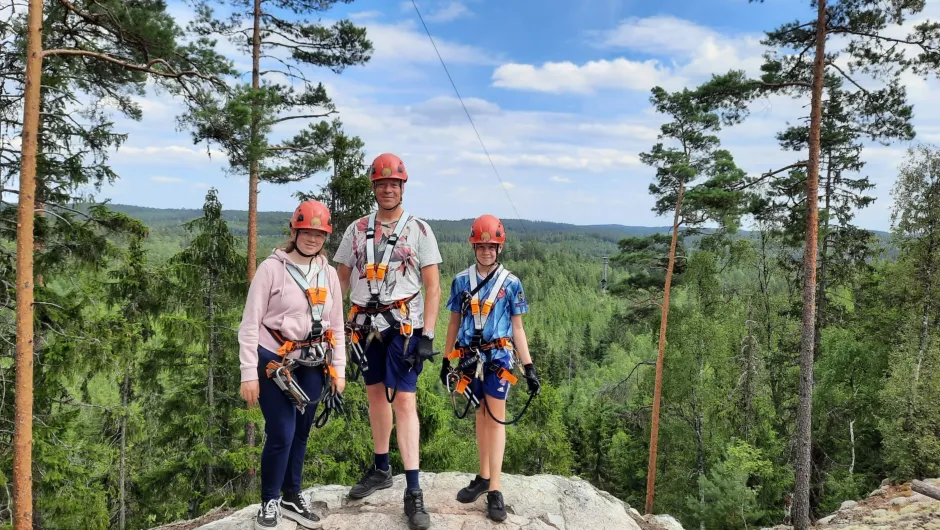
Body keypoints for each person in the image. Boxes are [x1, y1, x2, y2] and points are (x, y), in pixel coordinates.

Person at [334, 152, 442, 530]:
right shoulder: (356, 229)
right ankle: (382, 466)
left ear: (402, 187)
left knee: (406, 401)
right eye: (382, 184)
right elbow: (340, 279)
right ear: (375, 187)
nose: (388, 189)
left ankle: (413, 490)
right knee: (375, 394)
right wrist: (331, 324)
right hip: (364, 325)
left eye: (394, 184)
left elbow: (432, 287)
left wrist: (428, 335)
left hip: (404, 326)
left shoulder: (419, 231)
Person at [238, 200, 347, 530]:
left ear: (325, 236)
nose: (312, 238)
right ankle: (269, 500)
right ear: (294, 230)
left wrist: (338, 369)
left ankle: (291, 495)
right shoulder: (272, 269)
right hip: (273, 361)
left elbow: (338, 325)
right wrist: (248, 374)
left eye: (319, 233)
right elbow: (249, 323)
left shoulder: (328, 274)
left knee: (300, 433)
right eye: (307, 231)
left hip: (313, 362)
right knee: (281, 432)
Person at [441, 214, 540, 522]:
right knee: (482, 414)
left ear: (499, 248)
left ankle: (495, 488)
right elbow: (454, 322)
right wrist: (446, 360)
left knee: (496, 417)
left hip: (498, 359)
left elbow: (518, 328)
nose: (486, 251)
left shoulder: (511, 284)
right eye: (481, 246)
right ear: (474, 246)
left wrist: (529, 366)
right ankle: (483, 475)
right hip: (469, 359)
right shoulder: (461, 281)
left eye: (491, 246)